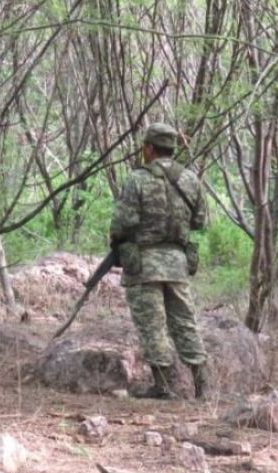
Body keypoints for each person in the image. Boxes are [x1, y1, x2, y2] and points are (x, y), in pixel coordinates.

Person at [109, 123, 209, 400]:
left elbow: (123, 222)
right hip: (177, 263)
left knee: (153, 325)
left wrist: (118, 241)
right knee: (185, 321)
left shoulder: (137, 179)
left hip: (144, 263)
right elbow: (201, 221)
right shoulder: (190, 179)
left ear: (149, 148)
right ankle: (202, 385)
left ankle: (162, 387)